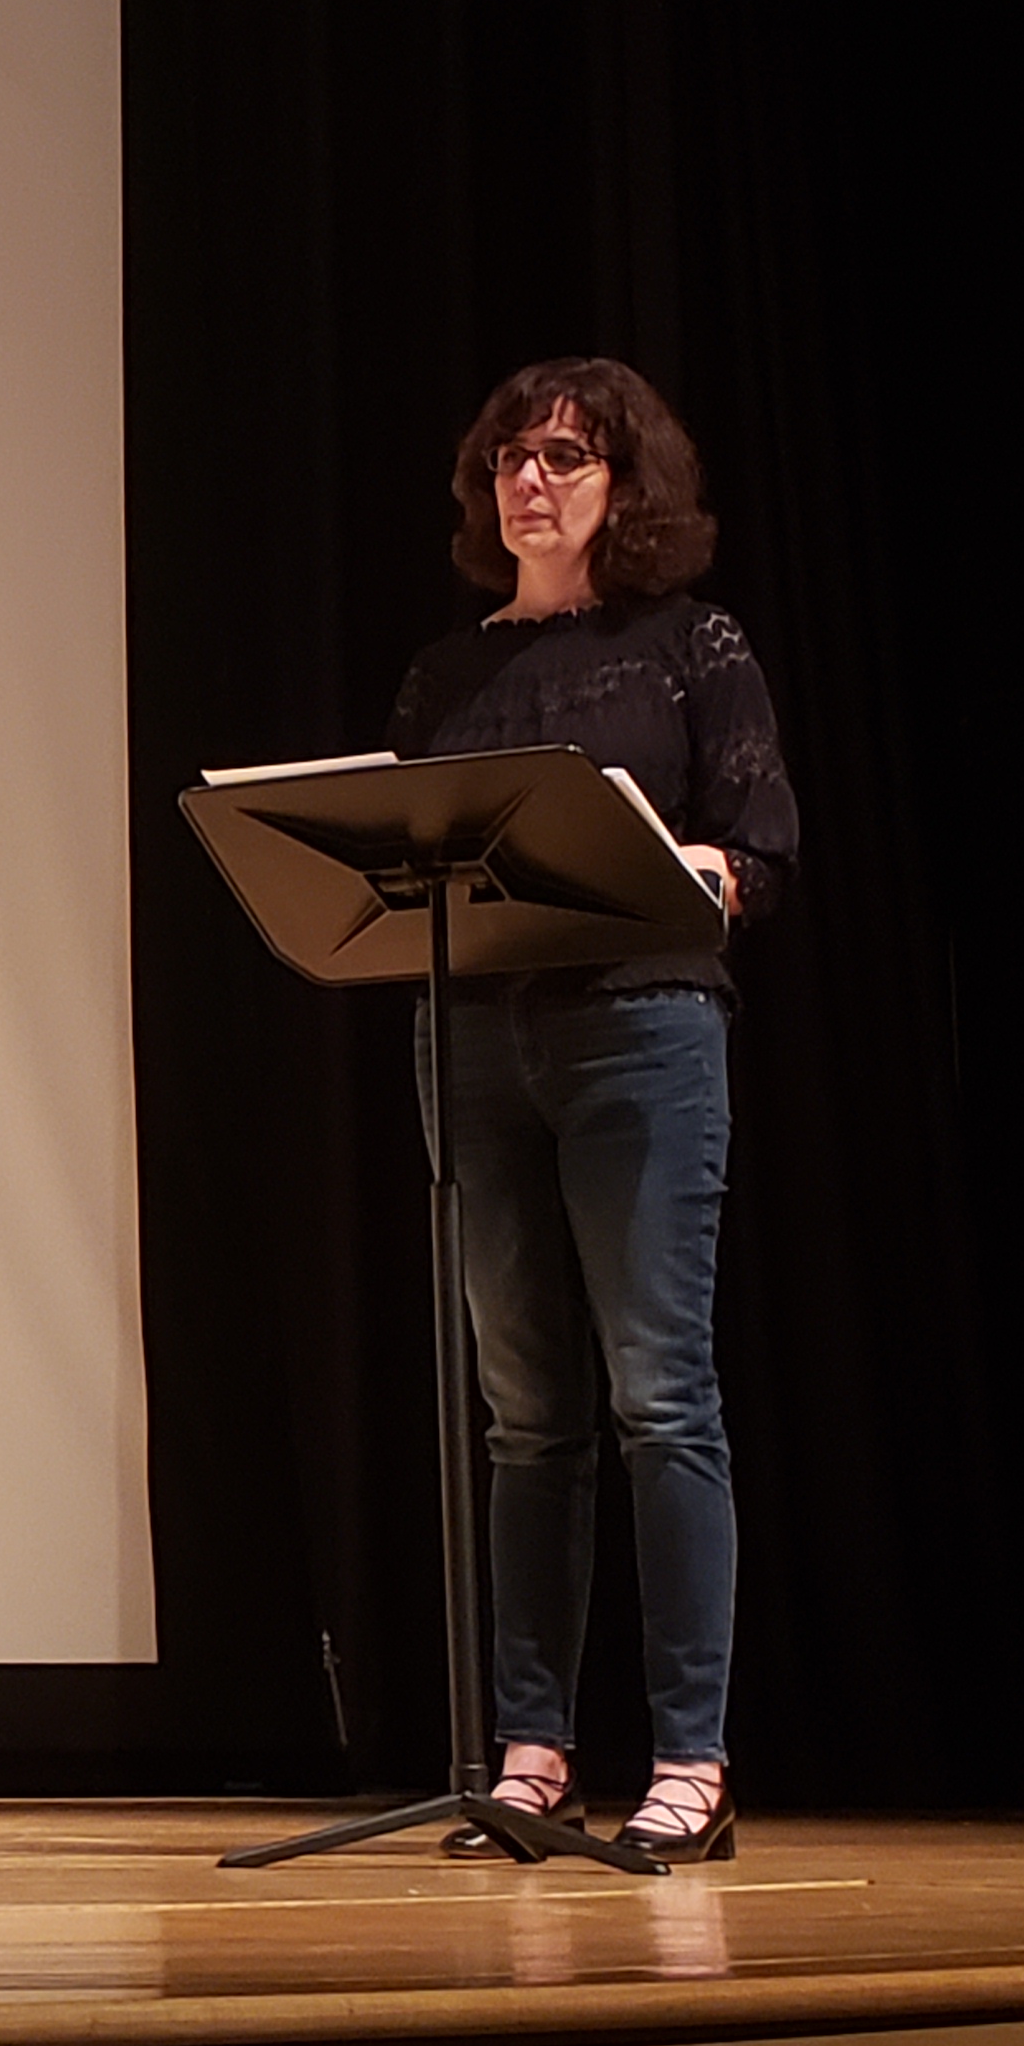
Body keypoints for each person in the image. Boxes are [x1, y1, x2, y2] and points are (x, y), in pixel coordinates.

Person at [399, 356, 796, 1862]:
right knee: (525, 1417)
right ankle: (532, 1752)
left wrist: (695, 867)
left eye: (564, 454)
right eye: (509, 456)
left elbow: (760, 851)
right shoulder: (446, 676)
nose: (530, 479)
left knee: (660, 1396)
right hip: (475, 1043)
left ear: (624, 484)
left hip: (641, 1032)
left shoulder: (690, 645)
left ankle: (691, 1760)